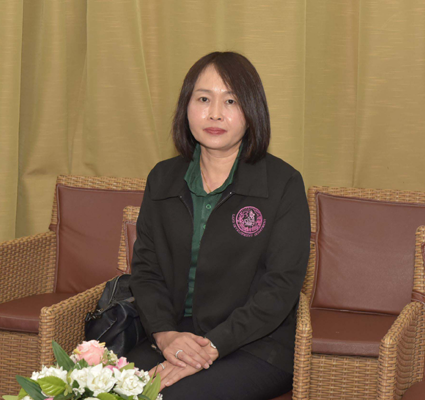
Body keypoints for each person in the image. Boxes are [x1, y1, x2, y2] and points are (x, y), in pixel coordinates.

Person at [127, 51, 310, 399]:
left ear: (252, 111)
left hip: (256, 344)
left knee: (172, 397)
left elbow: (280, 288)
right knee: (102, 388)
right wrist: (165, 335)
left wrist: (211, 348)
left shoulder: (283, 183)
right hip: (174, 336)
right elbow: (146, 271)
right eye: (203, 99)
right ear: (186, 107)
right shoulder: (163, 178)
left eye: (231, 101)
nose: (215, 113)